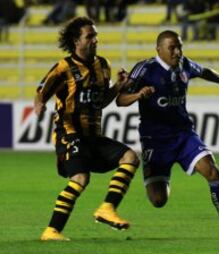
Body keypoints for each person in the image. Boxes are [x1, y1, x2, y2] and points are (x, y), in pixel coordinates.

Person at [116, 30, 219, 239]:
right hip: (155, 140)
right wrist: (139, 94)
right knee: (159, 200)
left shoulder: (184, 65)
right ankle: (158, 174)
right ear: (159, 49)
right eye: (172, 48)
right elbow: (120, 99)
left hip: (183, 134)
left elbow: (206, 72)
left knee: (213, 171)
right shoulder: (145, 69)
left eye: (180, 47)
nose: (177, 52)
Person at [34, 16, 140, 241]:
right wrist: (39, 104)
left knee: (130, 157)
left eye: (96, 35)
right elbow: (42, 90)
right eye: (90, 36)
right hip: (69, 131)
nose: (95, 40)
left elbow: (101, 101)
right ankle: (52, 231)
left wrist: (118, 87)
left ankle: (107, 208)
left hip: (93, 135)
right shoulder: (64, 67)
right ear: (76, 41)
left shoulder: (104, 65)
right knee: (81, 178)